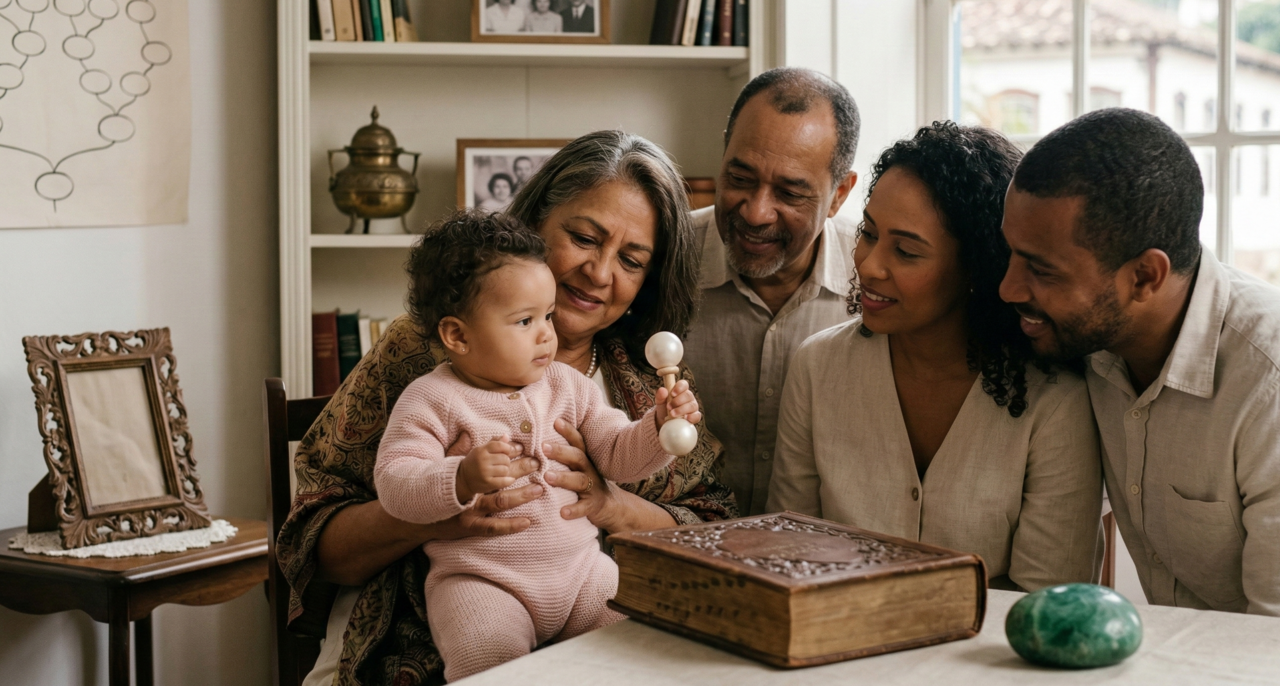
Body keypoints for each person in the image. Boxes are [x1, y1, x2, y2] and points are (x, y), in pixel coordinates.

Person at [278, 130, 737, 686]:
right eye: (585, 237)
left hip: (586, 613)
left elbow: (710, 535)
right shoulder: (424, 355)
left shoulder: (648, 377)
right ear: (536, 224)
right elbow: (313, 544)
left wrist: (609, 502)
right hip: (422, 641)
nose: (599, 272)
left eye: (631, 260)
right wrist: (444, 508)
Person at [768, 122, 1103, 591]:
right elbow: (788, 554)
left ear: (976, 267)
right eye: (868, 232)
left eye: (905, 251)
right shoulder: (818, 368)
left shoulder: (1055, 401)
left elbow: (1045, 597)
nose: (869, 264)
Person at [377, 211, 699, 681]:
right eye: (525, 320)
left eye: (547, 315)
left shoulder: (569, 387)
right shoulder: (432, 399)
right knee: (486, 663)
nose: (548, 332)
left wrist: (656, 426)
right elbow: (395, 483)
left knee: (647, 645)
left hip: (583, 575)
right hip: (483, 583)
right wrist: (460, 476)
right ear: (458, 335)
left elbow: (618, 456)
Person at [999, 107, 1280, 615]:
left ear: (1145, 277)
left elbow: (1271, 643)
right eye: (1011, 255)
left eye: (1041, 269)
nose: (1009, 288)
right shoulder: (1087, 345)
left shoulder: (1267, 380)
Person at [683, 67, 859, 515]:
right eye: (740, 179)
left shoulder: (879, 283)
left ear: (839, 194)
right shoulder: (659, 259)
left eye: (790, 192)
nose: (757, 212)